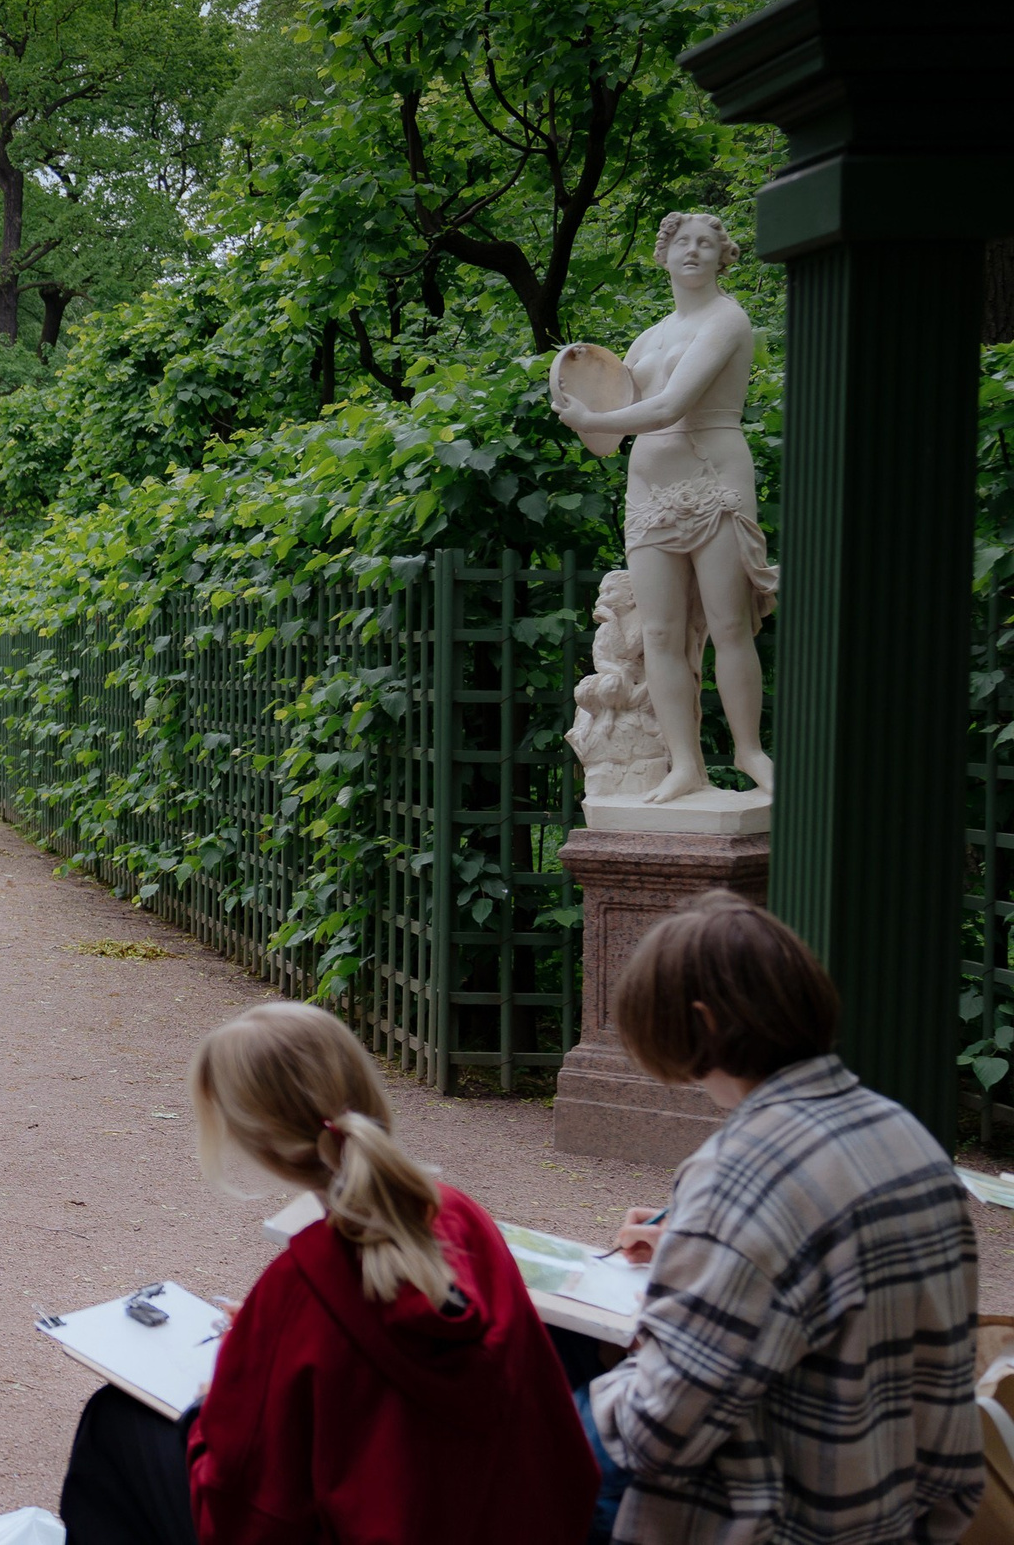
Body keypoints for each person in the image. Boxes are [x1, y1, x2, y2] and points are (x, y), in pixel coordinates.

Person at [59, 1001, 598, 1545]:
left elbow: (243, 1513)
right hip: (518, 1522)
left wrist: (212, 1399)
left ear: (262, 1146)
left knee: (115, 1421)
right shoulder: (461, 1217)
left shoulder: (301, 1286)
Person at [583, 892, 982, 1545]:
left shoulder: (739, 1172)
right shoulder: (906, 1135)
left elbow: (658, 1433)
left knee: (538, 1412)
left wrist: (620, 1363)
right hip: (892, 1516)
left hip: (777, 1521)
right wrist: (689, 1244)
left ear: (701, 1023)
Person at [551, 211, 774, 802]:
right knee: (660, 635)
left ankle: (750, 753)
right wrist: (578, 397)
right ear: (666, 254)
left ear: (723, 256)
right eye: (683, 243)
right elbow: (606, 436)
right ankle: (684, 766)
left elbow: (671, 404)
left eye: (707, 242)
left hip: (712, 481)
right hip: (649, 493)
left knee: (729, 626)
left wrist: (593, 418)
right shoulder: (648, 338)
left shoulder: (727, 319)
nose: (694, 252)